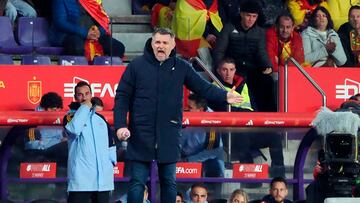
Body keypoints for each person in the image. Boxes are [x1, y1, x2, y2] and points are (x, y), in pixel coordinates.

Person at [114, 27, 243, 203]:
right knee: (137, 183)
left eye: (165, 43)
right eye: (157, 42)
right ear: (152, 43)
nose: (161, 46)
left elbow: (203, 87)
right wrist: (121, 125)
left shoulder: (182, 67)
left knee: (169, 182)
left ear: (173, 44)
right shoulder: (136, 66)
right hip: (140, 134)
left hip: (169, 134)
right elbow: (122, 97)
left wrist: (225, 95)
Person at [209, 58, 285, 178]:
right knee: (242, 136)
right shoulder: (213, 88)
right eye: (224, 69)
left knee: (274, 135)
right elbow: (223, 111)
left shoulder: (243, 84)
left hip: (251, 128)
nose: (228, 73)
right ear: (218, 71)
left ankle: (279, 175)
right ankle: (248, 178)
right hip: (231, 133)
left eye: (231, 69)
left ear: (235, 70)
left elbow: (254, 108)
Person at [213, 0, 276, 112]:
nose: (251, 19)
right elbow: (219, 51)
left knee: (267, 81)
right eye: (248, 15)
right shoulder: (229, 27)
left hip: (251, 69)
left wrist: (268, 66)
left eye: (254, 16)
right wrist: (219, 68)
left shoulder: (260, 32)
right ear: (241, 14)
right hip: (233, 69)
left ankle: (267, 117)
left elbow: (262, 52)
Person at [64, 81, 117, 203]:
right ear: (75, 97)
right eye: (80, 94)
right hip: (81, 181)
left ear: (91, 95)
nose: (84, 97)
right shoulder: (70, 117)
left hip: (103, 181)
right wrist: (85, 107)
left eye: (87, 94)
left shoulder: (101, 119)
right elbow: (74, 129)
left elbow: (111, 144)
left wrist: (110, 165)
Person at [49, 0, 125, 61]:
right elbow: (60, 22)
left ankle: (107, 75)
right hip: (71, 34)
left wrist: (99, 32)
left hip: (94, 34)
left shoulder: (94, 1)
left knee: (117, 47)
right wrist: (85, 33)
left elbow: (103, 20)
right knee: (77, 46)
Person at [181, 93, 225, 178]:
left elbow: (213, 151)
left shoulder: (212, 120)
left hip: (207, 160)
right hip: (185, 156)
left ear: (200, 110)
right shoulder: (185, 114)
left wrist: (189, 160)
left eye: (190, 108)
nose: (186, 110)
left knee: (213, 168)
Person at [24, 92, 67, 166]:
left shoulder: (61, 119)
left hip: (57, 154)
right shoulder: (33, 121)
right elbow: (32, 146)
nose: (56, 113)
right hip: (40, 154)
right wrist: (60, 141)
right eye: (53, 110)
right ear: (44, 108)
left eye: (58, 110)